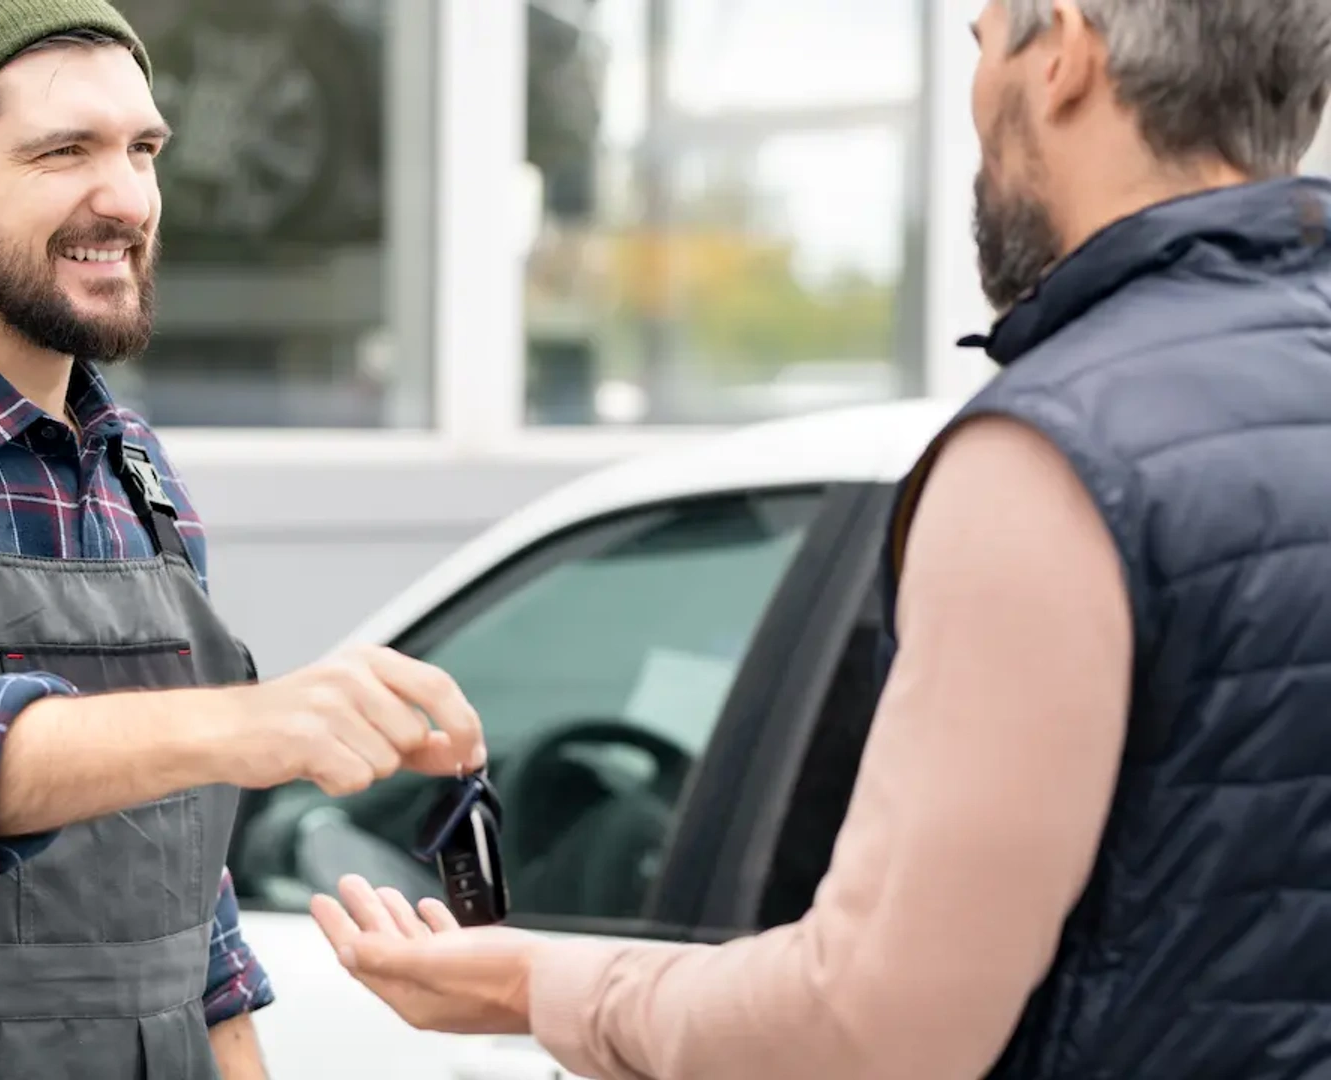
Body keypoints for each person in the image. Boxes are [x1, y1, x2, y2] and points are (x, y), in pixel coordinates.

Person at [312, 0, 1331, 1077]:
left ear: (1065, 55)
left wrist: (530, 982)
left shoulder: (1058, 456)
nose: (977, 97)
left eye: (983, 43)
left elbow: (871, 1026)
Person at [0, 3, 485, 1077]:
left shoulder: (137, 473)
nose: (127, 198)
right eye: (64, 152)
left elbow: (196, 927)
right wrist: (247, 725)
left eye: (142, 149)